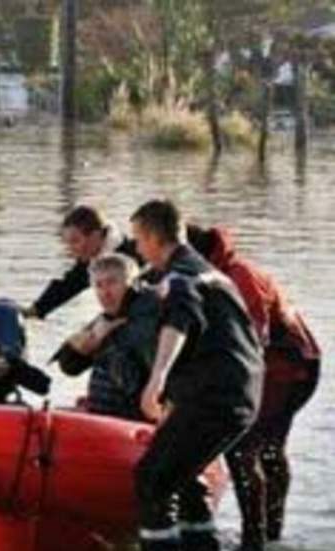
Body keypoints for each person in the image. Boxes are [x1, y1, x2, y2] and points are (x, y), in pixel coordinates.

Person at [130, 200, 264, 551]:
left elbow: (181, 319)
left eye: (138, 241)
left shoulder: (180, 277)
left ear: (153, 237)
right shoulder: (210, 273)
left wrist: (156, 380)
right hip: (242, 395)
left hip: (215, 397)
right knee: (185, 480)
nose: (138, 250)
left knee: (151, 480)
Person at [187, 224, 321, 550]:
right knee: (266, 447)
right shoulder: (208, 275)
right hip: (278, 364)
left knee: (245, 446)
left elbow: (252, 340)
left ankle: (256, 538)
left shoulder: (239, 277)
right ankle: (270, 535)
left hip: (288, 368)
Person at [52, 253, 159, 421]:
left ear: (131, 283)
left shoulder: (146, 320)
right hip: (102, 416)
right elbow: (69, 367)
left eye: (112, 283)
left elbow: (134, 385)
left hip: (131, 423)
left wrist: (110, 345)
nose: (105, 293)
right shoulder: (108, 318)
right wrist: (87, 344)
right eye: (99, 285)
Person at [23, 205, 141, 319]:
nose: (71, 249)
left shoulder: (131, 257)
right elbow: (70, 284)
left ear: (96, 235)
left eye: (75, 241)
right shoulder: (95, 256)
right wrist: (35, 310)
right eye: (68, 243)